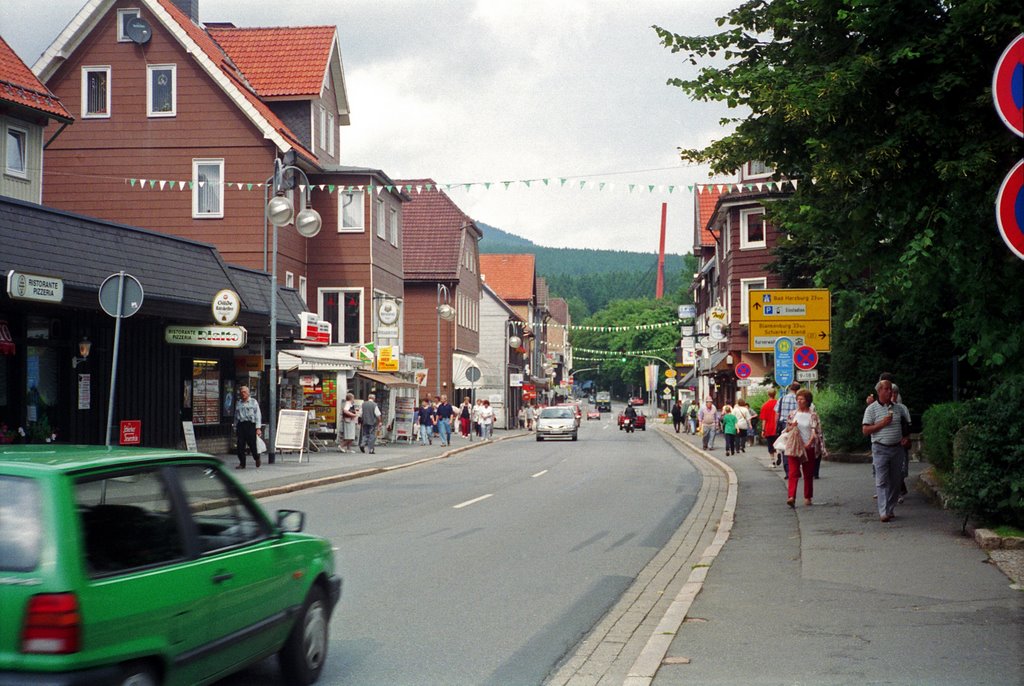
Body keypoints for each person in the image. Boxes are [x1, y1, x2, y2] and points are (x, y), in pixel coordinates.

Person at [863, 379, 911, 522]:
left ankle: (889, 509)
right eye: (887, 389)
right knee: (882, 480)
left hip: (897, 449)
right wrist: (882, 423)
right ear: (879, 391)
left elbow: (906, 426)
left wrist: (906, 438)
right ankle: (883, 511)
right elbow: (865, 430)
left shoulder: (899, 408)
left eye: (891, 389)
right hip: (880, 448)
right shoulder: (871, 409)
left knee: (896, 481)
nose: (890, 392)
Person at [784, 389, 825, 507]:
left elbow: (817, 431)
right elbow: (787, 430)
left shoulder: (813, 415)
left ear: (807, 401)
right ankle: (791, 496)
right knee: (793, 472)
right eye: (798, 399)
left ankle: (808, 497)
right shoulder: (793, 414)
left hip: (808, 446)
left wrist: (810, 442)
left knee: (808, 473)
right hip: (794, 446)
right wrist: (792, 426)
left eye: (801, 399)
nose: (799, 401)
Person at [233, 385, 262, 469]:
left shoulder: (253, 402)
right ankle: (242, 463)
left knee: (252, 445)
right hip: (241, 425)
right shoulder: (238, 403)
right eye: (241, 392)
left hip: (250, 425)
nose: (243, 394)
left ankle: (256, 458)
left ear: (248, 393)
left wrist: (258, 428)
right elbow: (236, 415)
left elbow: (258, 415)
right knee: (240, 445)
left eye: (245, 392)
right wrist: (235, 427)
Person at [775, 383, 800, 477]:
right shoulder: (799, 400)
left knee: (785, 447)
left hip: (784, 425)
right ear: (798, 390)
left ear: (789, 388)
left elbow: (777, 413)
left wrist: (776, 426)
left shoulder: (782, 398)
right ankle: (796, 469)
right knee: (796, 446)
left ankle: (787, 471)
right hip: (796, 425)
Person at [759, 389, 779, 467]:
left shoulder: (765, 405)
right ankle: (779, 454)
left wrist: (763, 430)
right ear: (775, 394)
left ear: (768, 395)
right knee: (778, 443)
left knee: (770, 445)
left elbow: (764, 419)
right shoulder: (778, 403)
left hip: (769, 428)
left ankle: (773, 462)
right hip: (778, 427)